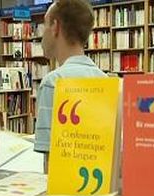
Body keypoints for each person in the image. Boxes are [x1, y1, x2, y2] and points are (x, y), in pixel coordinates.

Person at [34, 0, 107, 173]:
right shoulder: (105, 81)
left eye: (44, 25)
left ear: (55, 27)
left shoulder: (53, 83)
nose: (41, 34)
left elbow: (50, 160)